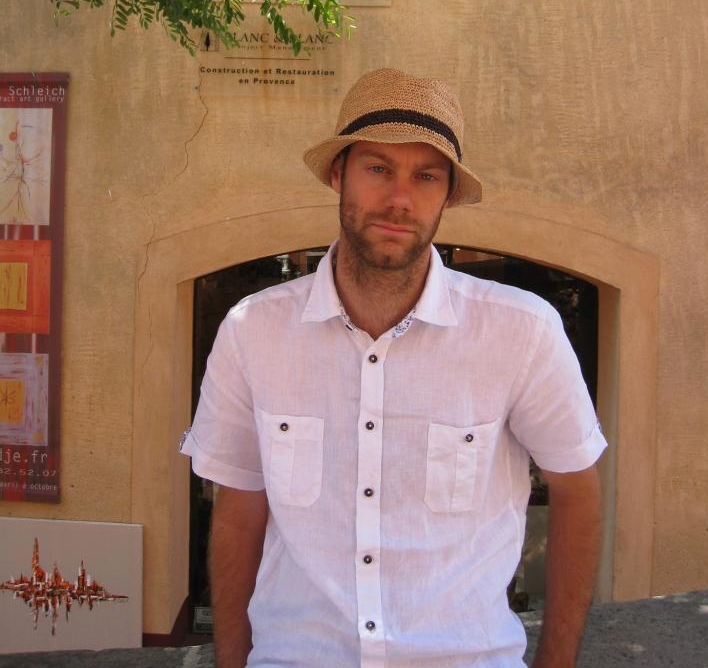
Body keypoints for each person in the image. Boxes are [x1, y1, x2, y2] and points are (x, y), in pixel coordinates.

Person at [180, 68, 606, 668]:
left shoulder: (522, 332)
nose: (400, 199)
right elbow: (238, 509)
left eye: (425, 176)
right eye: (379, 168)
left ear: (447, 195)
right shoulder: (253, 331)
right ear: (339, 174)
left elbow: (577, 489)